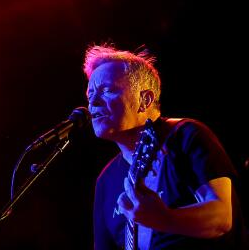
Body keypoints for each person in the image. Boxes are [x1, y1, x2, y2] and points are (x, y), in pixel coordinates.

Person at [84, 44, 247, 249]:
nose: (93, 104)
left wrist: (164, 218)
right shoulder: (105, 181)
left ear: (145, 99)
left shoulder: (186, 135)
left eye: (106, 90)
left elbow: (222, 218)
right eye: (90, 96)